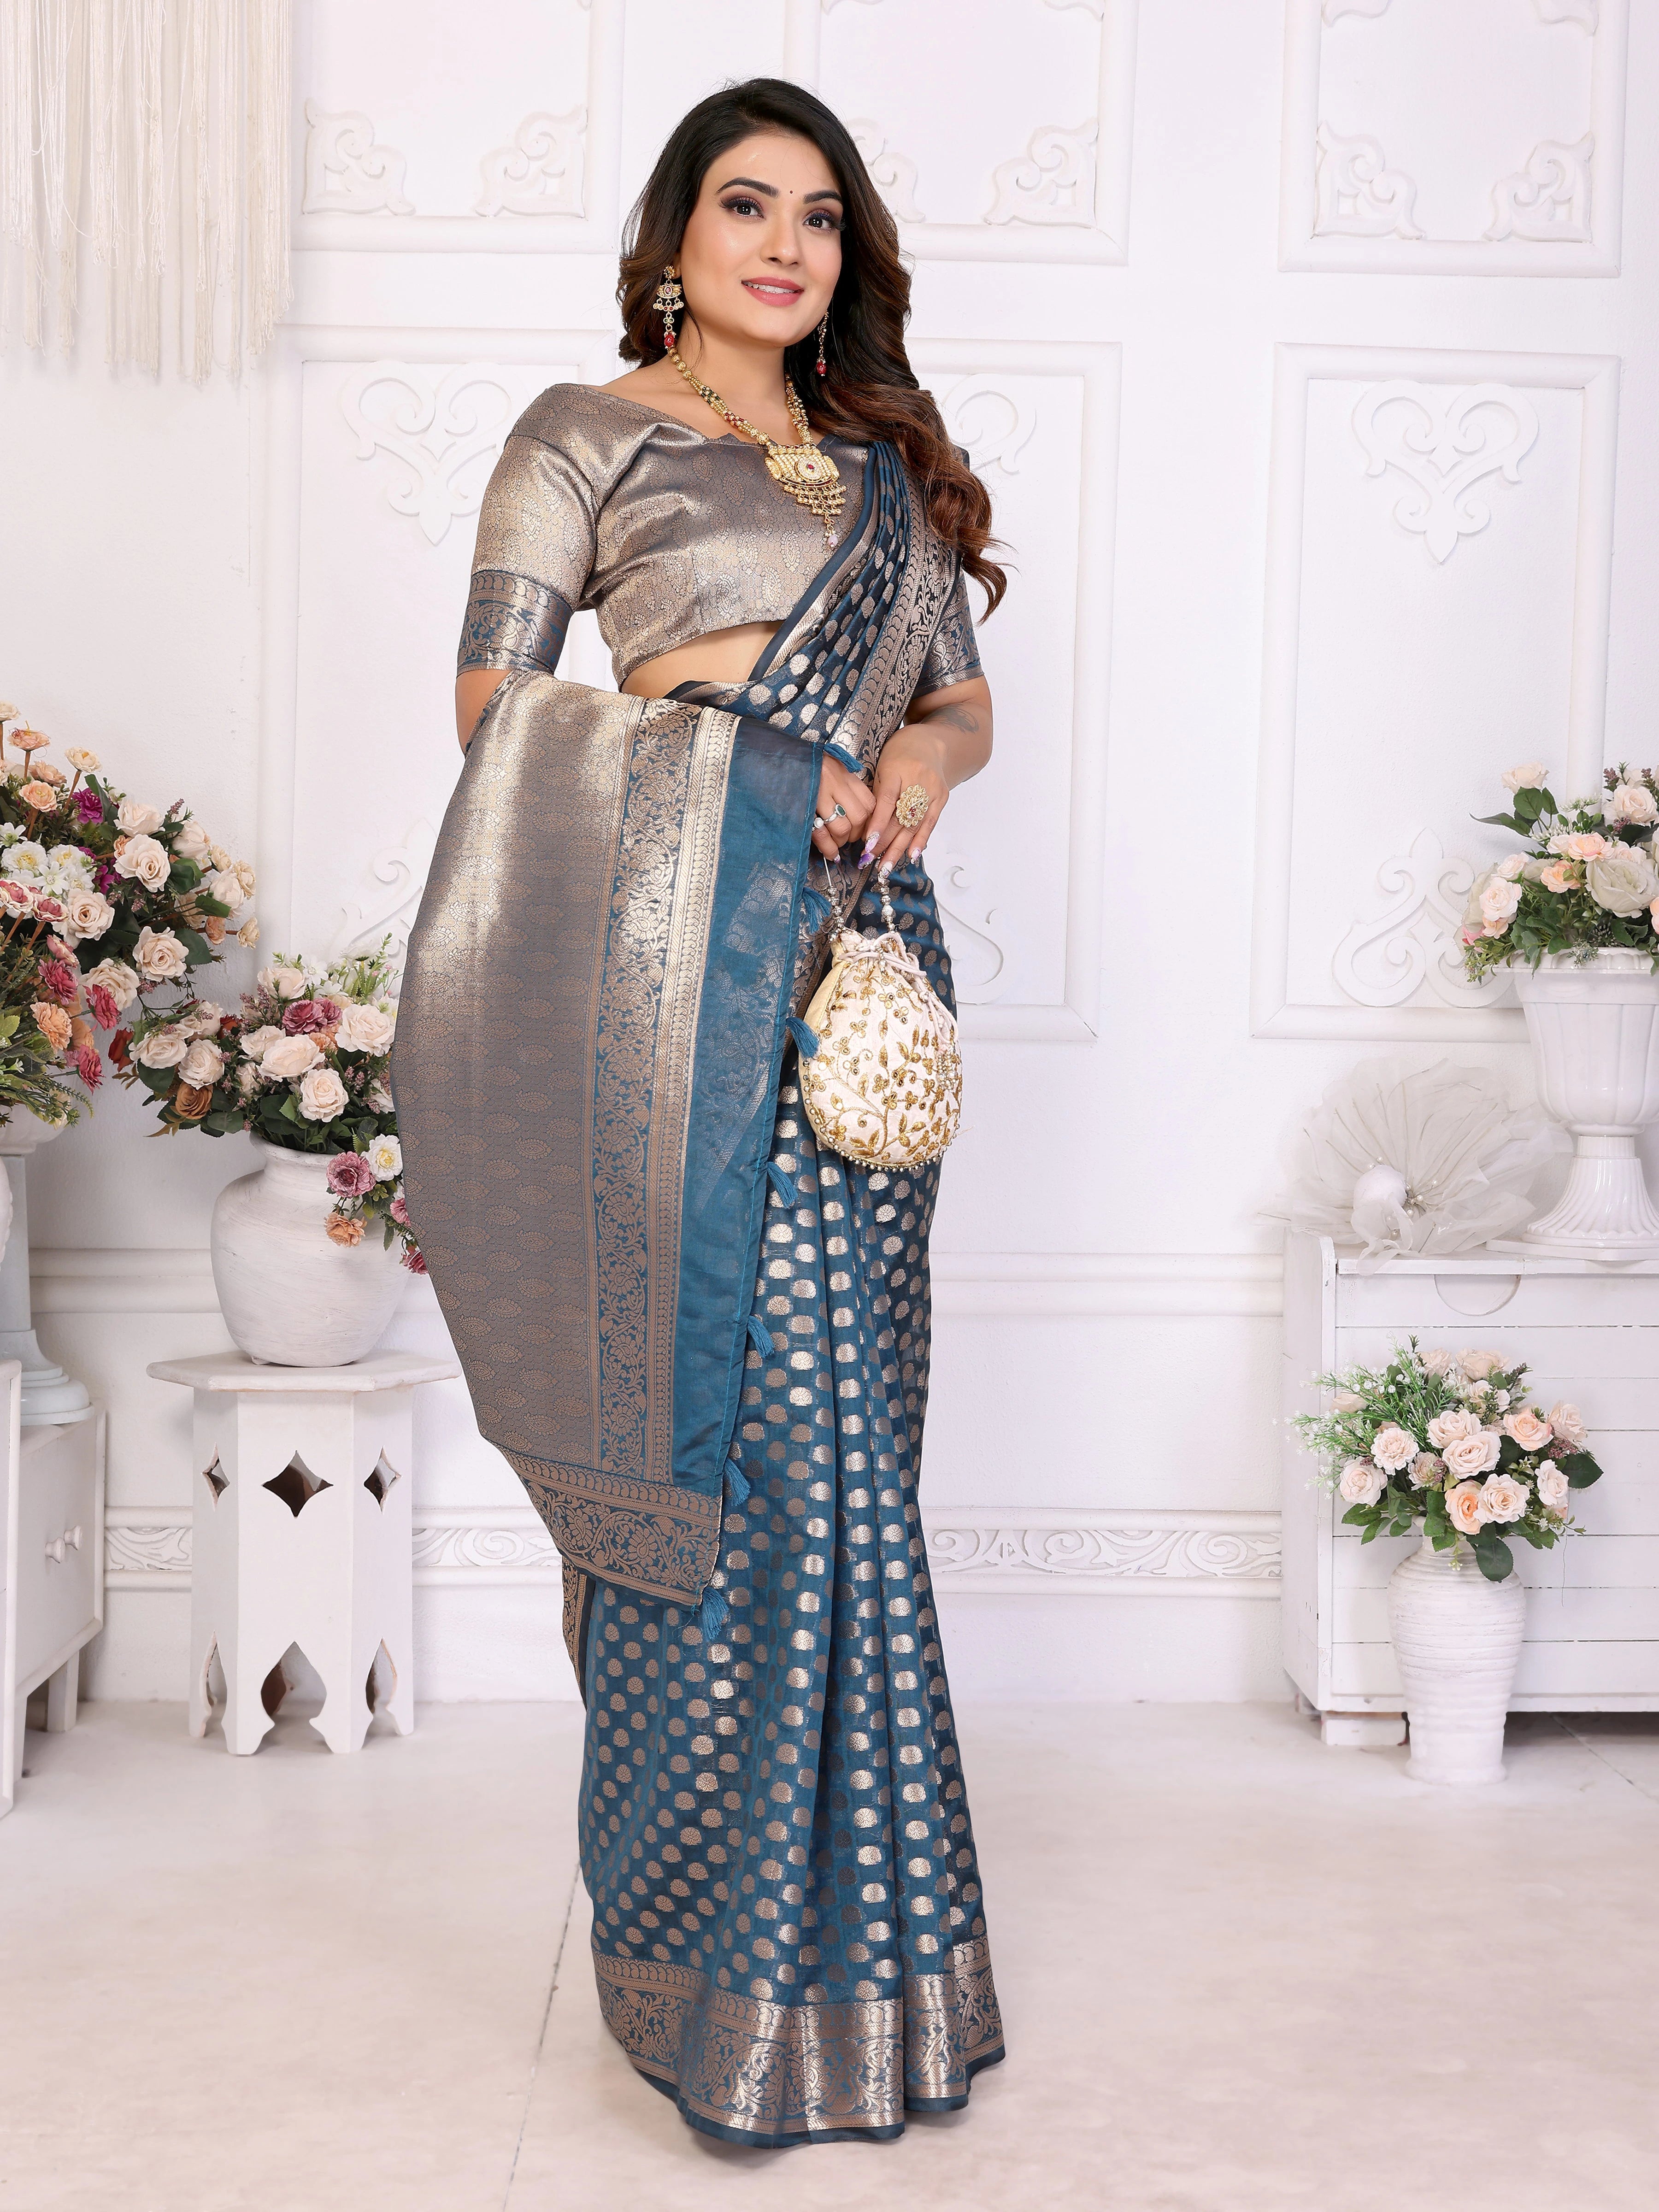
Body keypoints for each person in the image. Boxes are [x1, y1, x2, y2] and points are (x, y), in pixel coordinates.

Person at [395, 76, 1005, 2148]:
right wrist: (745, 772)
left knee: (851, 1470)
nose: (785, 246)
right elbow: (496, 706)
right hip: (664, 991)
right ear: (677, 235)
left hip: (859, 973)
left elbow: (951, 690)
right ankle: (697, 1973)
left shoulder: (879, 469)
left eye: (820, 218)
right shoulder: (583, 433)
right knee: (719, 1460)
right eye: (746, 207)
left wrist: (916, 776)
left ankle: (869, 1981)